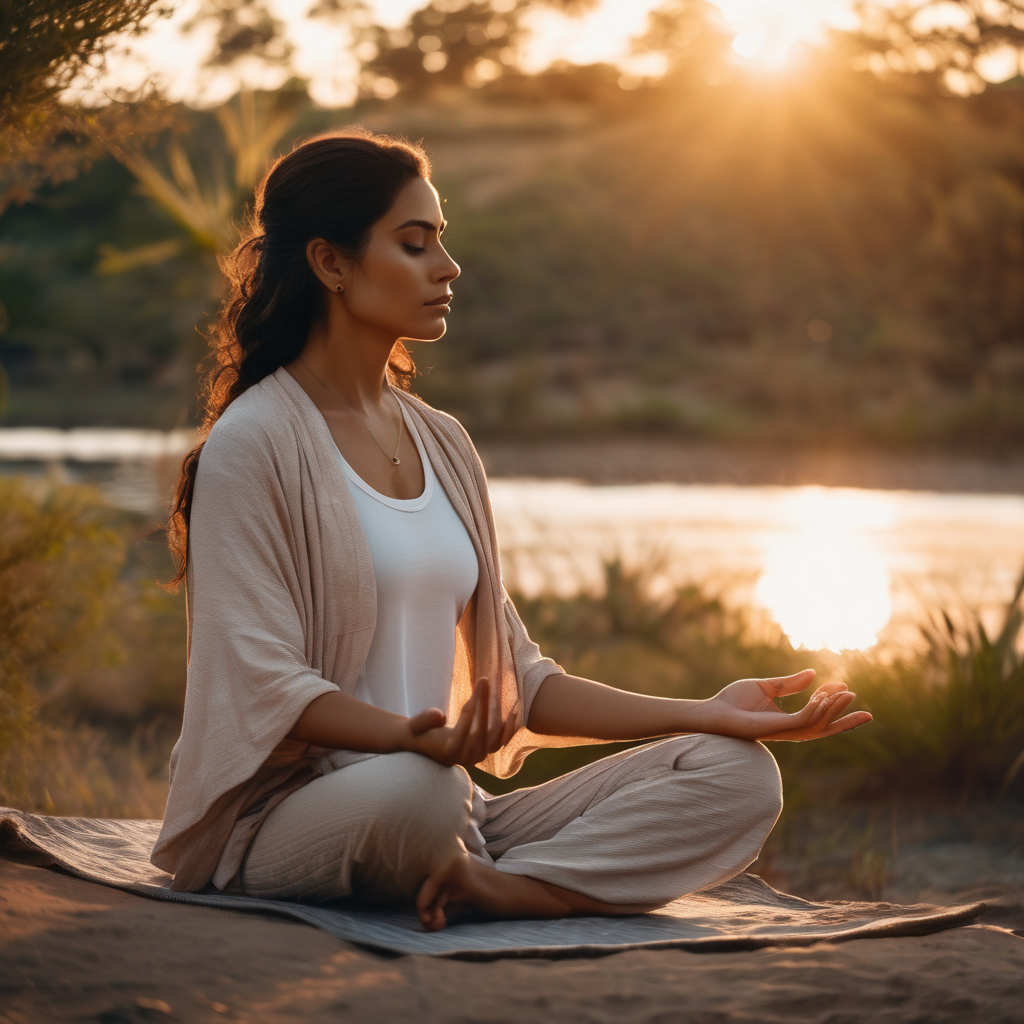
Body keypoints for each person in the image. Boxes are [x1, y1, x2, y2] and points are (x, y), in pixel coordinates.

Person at [151, 130, 871, 931]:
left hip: (445, 803)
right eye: (415, 243)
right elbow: (264, 686)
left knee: (739, 776)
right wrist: (415, 739)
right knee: (416, 793)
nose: (447, 267)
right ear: (331, 263)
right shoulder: (256, 443)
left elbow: (524, 686)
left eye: (442, 243)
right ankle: (503, 874)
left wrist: (707, 711)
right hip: (301, 817)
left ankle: (514, 887)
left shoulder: (444, 444)